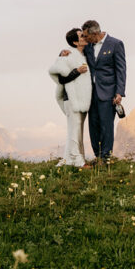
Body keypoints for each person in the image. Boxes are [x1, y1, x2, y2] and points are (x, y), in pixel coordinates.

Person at [81, 19, 125, 161]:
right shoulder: (88, 46)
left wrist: (119, 92)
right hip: (91, 93)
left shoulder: (115, 44)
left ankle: (106, 157)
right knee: (93, 125)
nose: (84, 39)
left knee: (106, 126)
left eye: (86, 36)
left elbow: (121, 70)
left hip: (108, 92)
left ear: (95, 34)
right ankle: (97, 155)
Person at [47, 28, 91, 167]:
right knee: (74, 129)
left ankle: (73, 159)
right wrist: (76, 71)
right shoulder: (69, 56)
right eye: (81, 36)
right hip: (71, 99)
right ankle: (77, 161)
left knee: (78, 130)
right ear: (74, 42)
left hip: (82, 99)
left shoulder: (85, 55)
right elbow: (61, 78)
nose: (84, 37)